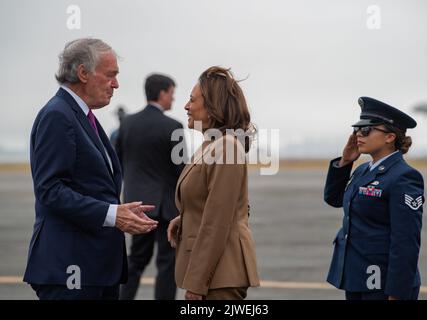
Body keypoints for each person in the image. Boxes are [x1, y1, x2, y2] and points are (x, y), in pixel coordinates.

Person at [23, 38, 158, 300]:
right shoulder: (58, 115)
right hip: (71, 269)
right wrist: (111, 214)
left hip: (95, 269)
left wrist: (121, 212)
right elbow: (50, 190)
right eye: (110, 75)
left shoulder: (82, 116)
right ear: (83, 73)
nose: (116, 84)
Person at [167, 66, 260, 300]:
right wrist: (186, 217)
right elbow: (210, 202)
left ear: (213, 106)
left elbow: (218, 221)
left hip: (222, 276)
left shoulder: (226, 147)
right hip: (215, 272)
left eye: (192, 100)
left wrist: (197, 284)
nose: (186, 106)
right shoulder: (211, 144)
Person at [324, 96, 424, 300]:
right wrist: (345, 161)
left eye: (367, 130)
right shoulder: (362, 170)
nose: (359, 135)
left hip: (384, 284)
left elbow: (405, 241)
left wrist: (397, 293)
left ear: (389, 137)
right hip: (356, 276)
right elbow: (334, 199)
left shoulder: (404, 177)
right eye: (357, 130)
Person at [117, 74, 185, 300]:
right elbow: (181, 171)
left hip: (138, 206)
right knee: (166, 264)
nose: (173, 99)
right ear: (163, 93)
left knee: (135, 261)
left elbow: (116, 163)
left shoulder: (126, 124)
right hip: (166, 207)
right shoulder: (173, 126)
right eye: (172, 94)